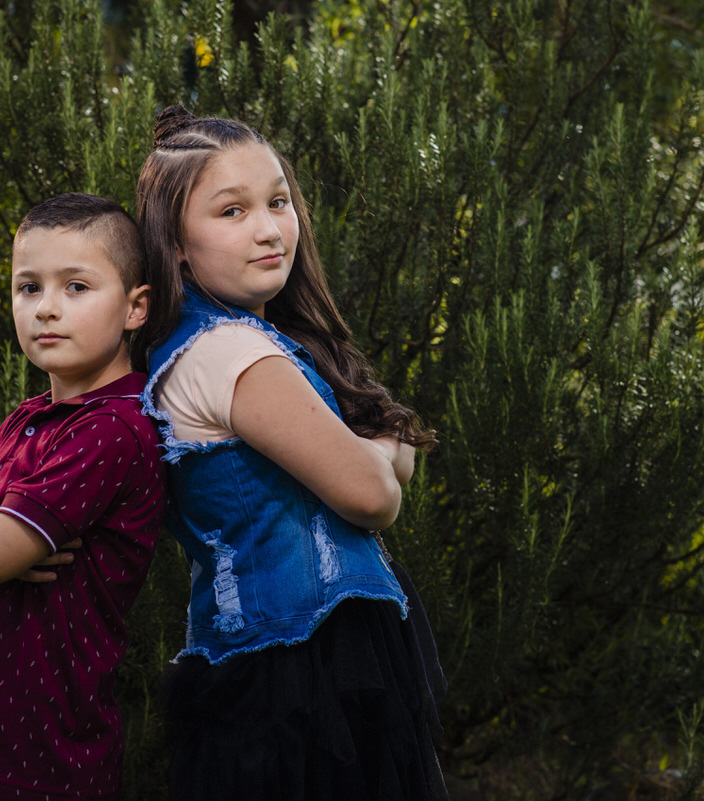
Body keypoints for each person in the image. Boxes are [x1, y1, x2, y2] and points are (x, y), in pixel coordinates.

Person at [134, 104, 449, 801]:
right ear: (176, 244)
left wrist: (380, 456)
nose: (270, 228)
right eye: (232, 211)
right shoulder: (229, 353)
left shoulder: (243, 341)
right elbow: (372, 495)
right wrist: (385, 451)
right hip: (294, 679)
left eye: (278, 201)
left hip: (307, 666)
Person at [0, 192, 166, 801]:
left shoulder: (111, 430)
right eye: (28, 287)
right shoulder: (27, 420)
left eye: (76, 287)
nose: (46, 309)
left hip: (38, 762)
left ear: (136, 308)